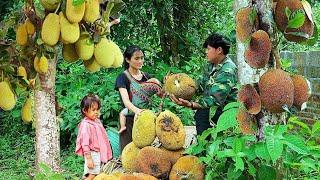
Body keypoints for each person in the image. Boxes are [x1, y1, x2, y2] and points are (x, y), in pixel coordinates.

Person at [170, 33, 238, 135]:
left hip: (227, 111)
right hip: (215, 109)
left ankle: (204, 147)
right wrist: (176, 85)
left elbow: (215, 100)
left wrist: (192, 105)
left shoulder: (227, 70)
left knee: (202, 114)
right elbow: (199, 86)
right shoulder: (210, 66)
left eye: (208, 49)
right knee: (203, 113)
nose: (206, 52)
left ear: (219, 50)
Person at [115, 45, 162, 151]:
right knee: (129, 153)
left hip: (146, 120)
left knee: (145, 154)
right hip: (129, 120)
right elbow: (126, 101)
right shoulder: (122, 77)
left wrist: (160, 85)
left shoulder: (147, 77)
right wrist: (137, 111)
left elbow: (161, 95)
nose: (140, 61)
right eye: (136, 58)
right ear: (127, 60)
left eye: (142, 58)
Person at [75, 94, 112, 180]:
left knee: (95, 174)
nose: (96, 112)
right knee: (91, 175)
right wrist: (89, 159)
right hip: (92, 154)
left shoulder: (96, 122)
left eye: (97, 109)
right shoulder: (85, 125)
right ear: (85, 110)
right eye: (93, 110)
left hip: (98, 153)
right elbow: (85, 143)